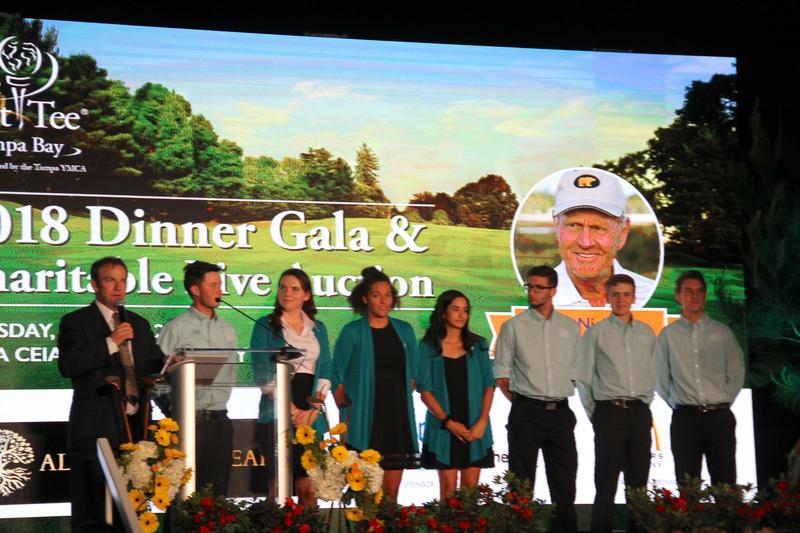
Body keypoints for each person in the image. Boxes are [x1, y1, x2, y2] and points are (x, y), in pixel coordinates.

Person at [57, 257, 164, 531]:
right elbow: (69, 365)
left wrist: (173, 364)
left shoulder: (138, 324)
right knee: (93, 515)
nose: (118, 287)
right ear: (94, 284)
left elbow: (154, 365)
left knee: (130, 516)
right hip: (95, 432)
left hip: (134, 430)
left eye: (122, 280)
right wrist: (111, 342)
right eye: (109, 280)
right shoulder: (75, 322)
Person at [494, 265, 581, 533]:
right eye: (529, 287)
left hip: (561, 413)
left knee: (564, 485)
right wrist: (524, 402)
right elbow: (502, 374)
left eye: (539, 287)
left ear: (553, 291)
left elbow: (576, 371)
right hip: (526, 412)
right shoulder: (513, 327)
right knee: (521, 485)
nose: (532, 292)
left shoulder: (569, 327)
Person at [575, 274, 656, 533]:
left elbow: (654, 372)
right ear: (607, 297)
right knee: (606, 482)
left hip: (640, 413)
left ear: (634, 297)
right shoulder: (596, 333)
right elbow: (583, 378)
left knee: (639, 482)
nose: (621, 299)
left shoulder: (646, 333)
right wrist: (597, 414)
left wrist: (645, 402)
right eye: (616, 294)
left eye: (626, 294)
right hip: (609, 413)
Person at [332, 266, 420, 501]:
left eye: (388, 295)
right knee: (367, 495)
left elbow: (414, 375)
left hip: (397, 420)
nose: (383, 301)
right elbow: (336, 377)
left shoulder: (405, 331)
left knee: (391, 495)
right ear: (365, 298)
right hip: (363, 423)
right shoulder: (352, 332)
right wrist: (349, 416)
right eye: (376, 295)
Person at [655, 270, 745, 486]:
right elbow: (660, 377)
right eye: (688, 291)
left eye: (699, 291)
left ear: (705, 295)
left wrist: (722, 401)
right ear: (678, 296)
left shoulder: (722, 332)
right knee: (688, 486)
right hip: (685, 419)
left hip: (719, 418)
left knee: (725, 485)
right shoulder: (668, 335)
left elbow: (736, 372)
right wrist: (678, 402)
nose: (694, 296)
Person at [250, 268, 332, 505]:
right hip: (277, 410)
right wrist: (292, 411)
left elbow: (326, 370)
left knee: (309, 487)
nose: (287, 293)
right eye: (283, 287)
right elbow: (262, 371)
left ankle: (309, 523)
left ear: (306, 295)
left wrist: (313, 410)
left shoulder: (318, 328)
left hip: (310, 412)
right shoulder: (265, 325)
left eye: (295, 289)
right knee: (277, 485)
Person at [157, 260, 238, 495]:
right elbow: (158, 381)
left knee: (218, 495)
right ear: (195, 290)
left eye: (220, 284)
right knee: (186, 494)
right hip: (188, 422)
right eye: (213, 285)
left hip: (221, 421)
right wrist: (175, 413)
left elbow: (232, 373)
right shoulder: (175, 328)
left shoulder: (227, 329)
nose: (219, 290)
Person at [417, 290, 495, 499]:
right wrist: (449, 423)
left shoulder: (478, 345)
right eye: (455, 309)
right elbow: (425, 391)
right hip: (444, 428)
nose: (461, 315)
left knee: (471, 494)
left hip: (474, 426)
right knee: (448, 492)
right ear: (443, 312)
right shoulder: (429, 347)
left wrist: (482, 421)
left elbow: (489, 385)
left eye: (465, 310)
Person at [551, 167, 656, 307]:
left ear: (622, 233)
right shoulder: (533, 298)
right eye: (574, 225)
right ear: (557, 228)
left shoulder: (648, 295)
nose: (585, 242)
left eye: (598, 228)